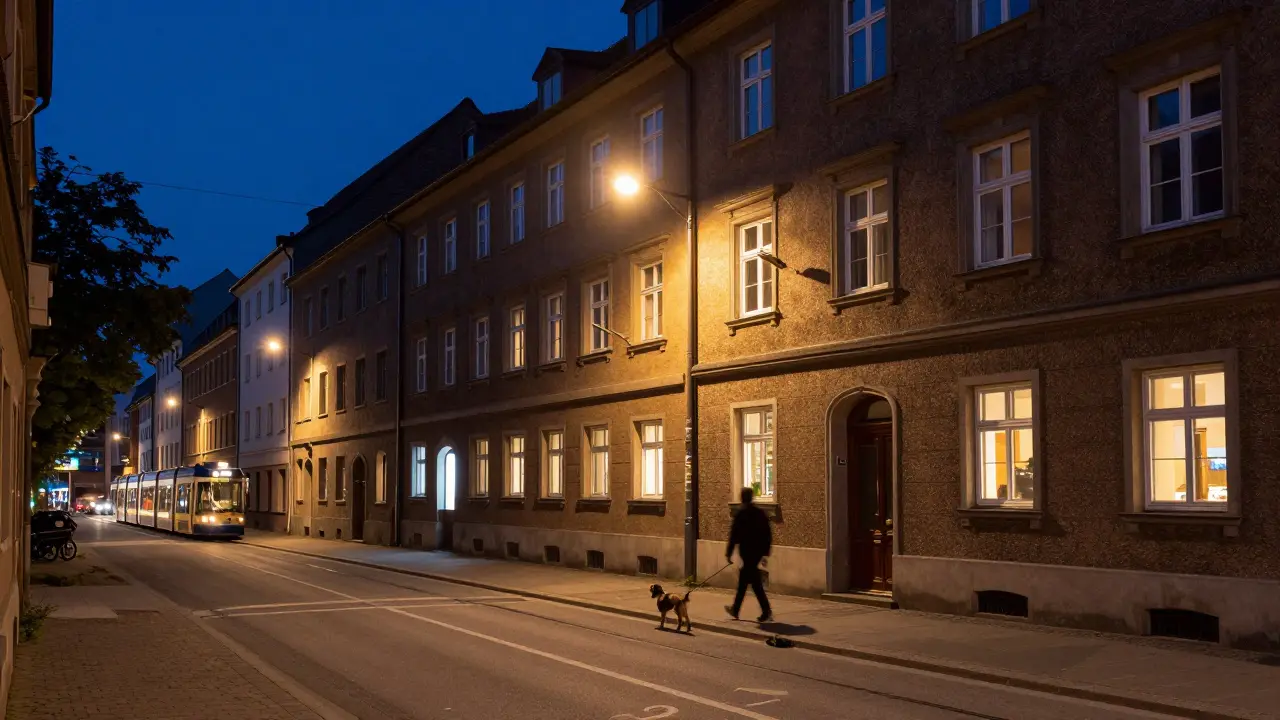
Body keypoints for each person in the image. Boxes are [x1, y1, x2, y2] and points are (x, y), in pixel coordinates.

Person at [724, 487, 773, 622]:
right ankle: (737, 609)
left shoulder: (742, 513)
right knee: (746, 581)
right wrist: (765, 552)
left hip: (747, 551)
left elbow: (734, 535)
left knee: (752, 582)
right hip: (757, 552)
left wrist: (729, 553)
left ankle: (765, 610)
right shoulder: (759, 513)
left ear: (742, 498)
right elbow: (767, 533)